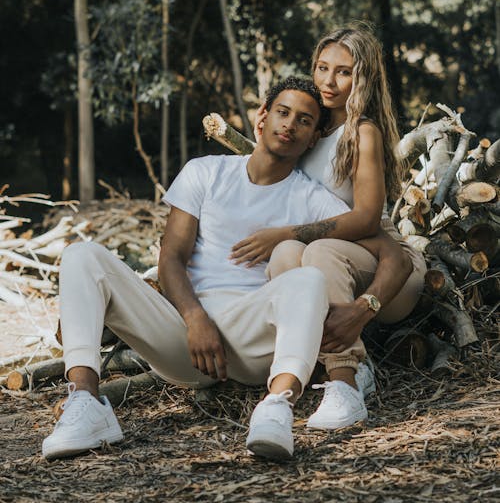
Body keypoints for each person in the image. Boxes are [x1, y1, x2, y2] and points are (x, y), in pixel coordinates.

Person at [43, 76, 394, 463]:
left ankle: (277, 406)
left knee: (308, 277)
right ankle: (86, 404)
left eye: (305, 121)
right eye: (282, 112)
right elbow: (171, 257)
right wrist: (195, 318)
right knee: (82, 255)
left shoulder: (312, 199)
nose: (290, 125)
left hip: (255, 342)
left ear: (313, 139)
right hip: (185, 340)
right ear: (262, 117)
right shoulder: (205, 172)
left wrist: (365, 307)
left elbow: (391, 254)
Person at [230, 24, 426, 430]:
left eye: (343, 71)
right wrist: (265, 139)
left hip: (387, 266)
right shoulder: (312, 130)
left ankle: (344, 386)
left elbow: (366, 219)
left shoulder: (362, 132)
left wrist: (285, 233)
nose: (329, 81)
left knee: (313, 250)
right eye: (322, 68)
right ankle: (342, 366)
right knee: (287, 256)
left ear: (363, 77)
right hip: (338, 261)